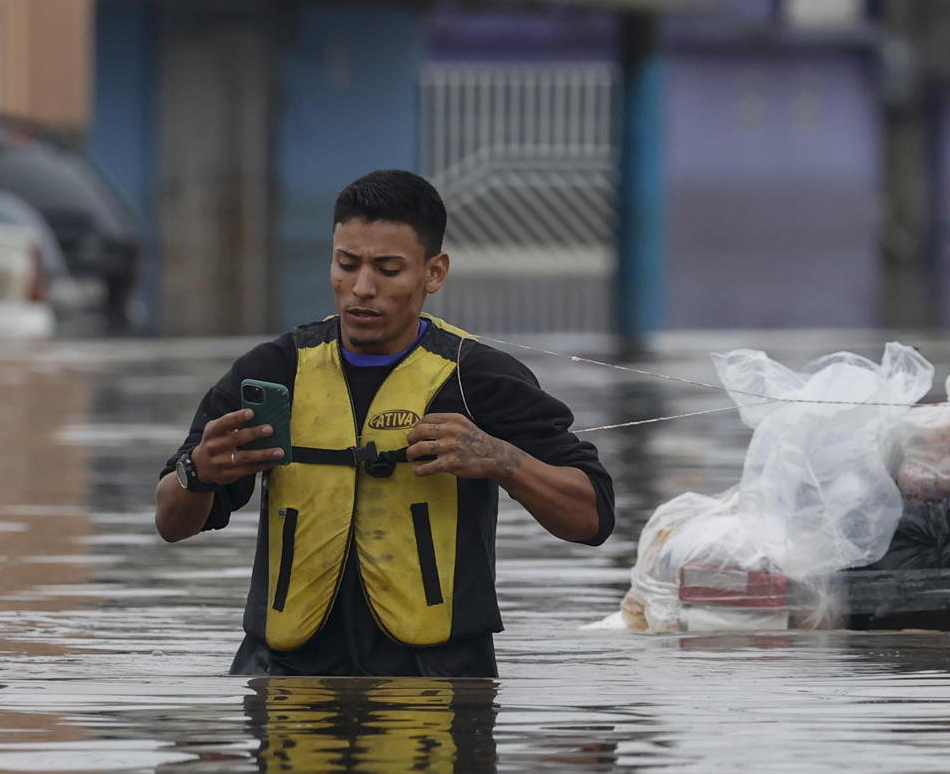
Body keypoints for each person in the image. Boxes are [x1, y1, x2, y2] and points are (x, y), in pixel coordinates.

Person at [155, 169, 614, 677]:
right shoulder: (275, 371)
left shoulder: (475, 378)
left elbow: (592, 518)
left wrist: (500, 460)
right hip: (283, 676)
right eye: (346, 265)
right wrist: (196, 473)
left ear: (433, 273)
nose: (362, 288)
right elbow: (170, 524)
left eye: (388, 269)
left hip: (439, 679)